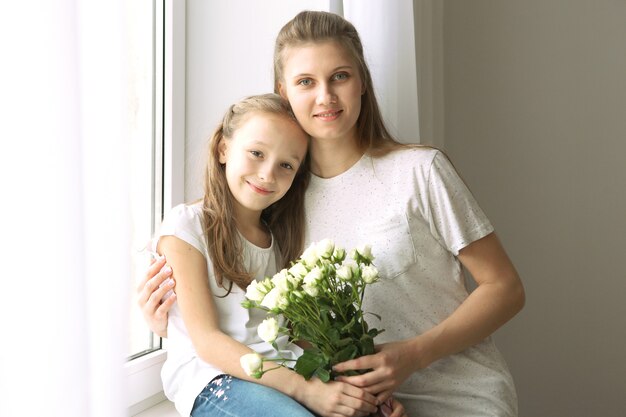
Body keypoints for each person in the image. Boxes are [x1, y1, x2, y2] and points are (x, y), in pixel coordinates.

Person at [138, 11, 525, 417]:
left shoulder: (419, 171)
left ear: (361, 83)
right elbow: (254, 319)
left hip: (460, 398)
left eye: (340, 76)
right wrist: (169, 319)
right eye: (306, 81)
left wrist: (414, 354)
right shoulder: (277, 200)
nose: (325, 96)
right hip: (361, 406)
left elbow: (505, 288)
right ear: (283, 91)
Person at [150, 93, 402, 417]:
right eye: (256, 153)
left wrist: (359, 390)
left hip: (282, 375)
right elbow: (207, 341)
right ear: (223, 148)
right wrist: (306, 390)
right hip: (215, 380)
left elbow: (298, 336)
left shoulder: (279, 241)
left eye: (286, 165)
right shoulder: (187, 226)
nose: (268, 174)